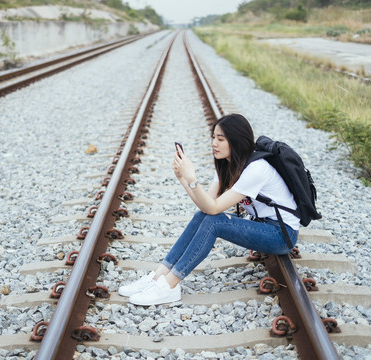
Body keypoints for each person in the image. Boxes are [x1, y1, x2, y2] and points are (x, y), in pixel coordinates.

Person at [118, 113, 300, 306]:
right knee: (202, 216)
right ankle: (158, 276)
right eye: (213, 137)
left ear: (237, 141)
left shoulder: (256, 169)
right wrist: (184, 179)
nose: (214, 143)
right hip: (262, 226)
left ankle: (170, 286)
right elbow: (206, 206)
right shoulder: (228, 164)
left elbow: (213, 209)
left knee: (215, 222)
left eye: (220, 139)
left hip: (281, 234)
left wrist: (192, 177)